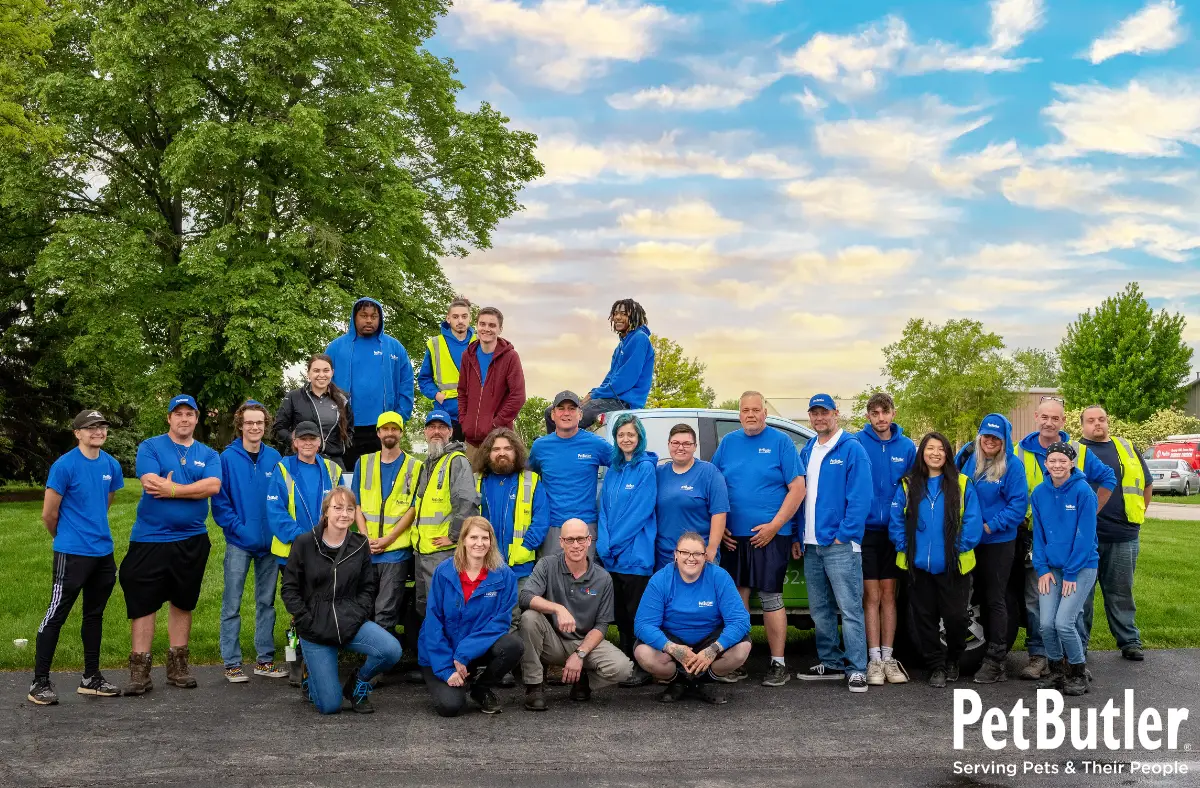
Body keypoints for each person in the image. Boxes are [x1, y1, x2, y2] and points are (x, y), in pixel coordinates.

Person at [120, 394, 222, 695]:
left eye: (190, 414)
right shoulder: (151, 446)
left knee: (183, 601)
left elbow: (213, 486)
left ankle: (178, 666)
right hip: (150, 539)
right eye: (178, 414)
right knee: (144, 602)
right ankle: (140, 671)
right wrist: (193, 489)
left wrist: (174, 488)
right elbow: (151, 483)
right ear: (169, 418)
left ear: (196, 418)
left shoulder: (209, 454)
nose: (184, 419)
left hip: (191, 539)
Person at [1013, 397, 1116, 680]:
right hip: (1039, 543)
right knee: (1039, 608)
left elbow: (1108, 478)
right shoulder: (1018, 452)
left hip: (1076, 555)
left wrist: (1089, 513)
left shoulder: (1080, 453)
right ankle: (1042, 658)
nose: (1049, 422)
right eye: (1044, 417)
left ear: (1063, 421)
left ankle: (1076, 662)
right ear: (1036, 417)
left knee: (1070, 615)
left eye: (1055, 418)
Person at [28, 410, 124, 706]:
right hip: (72, 553)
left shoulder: (111, 464)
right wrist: (67, 538)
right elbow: (49, 514)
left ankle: (90, 678)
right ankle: (39, 682)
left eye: (102, 426)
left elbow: (104, 503)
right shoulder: (65, 465)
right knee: (56, 613)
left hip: (102, 554)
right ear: (78, 433)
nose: (98, 431)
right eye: (91, 427)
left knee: (94, 615)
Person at [712, 391, 806, 687]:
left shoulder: (780, 442)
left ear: (764, 412)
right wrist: (720, 526)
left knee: (770, 596)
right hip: (732, 537)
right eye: (745, 410)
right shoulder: (728, 443)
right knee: (736, 597)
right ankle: (737, 661)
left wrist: (776, 526)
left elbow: (798, 488)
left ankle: (778, 664)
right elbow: (713, 484)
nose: (750, 415)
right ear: (739, 414)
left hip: (771, 536)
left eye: (755, 410)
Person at [281, 487, 401, 714]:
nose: (344, 514)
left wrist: (357, 616)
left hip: (349, 622)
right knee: (330, 706)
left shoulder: (360, 545)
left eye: (349, 509)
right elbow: (289, 588)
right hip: (314, 628)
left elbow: (368, 587)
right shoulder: (305, 543)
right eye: (337, 508)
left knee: (391, 650)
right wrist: (305, 619)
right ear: (326, 511)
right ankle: (310, 674)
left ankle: (358, 683)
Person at [889, 432, 983, 688]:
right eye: (930, 448)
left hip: (954, 567)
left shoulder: (963, 484)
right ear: (922, 453)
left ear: (947, 454)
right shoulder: (908, 485)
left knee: (956, 618)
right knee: (925, 620)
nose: (935, 453)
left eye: (941, 449)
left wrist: (956, 549)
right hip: (918, 567)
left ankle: (953, 659)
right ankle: (937, 667)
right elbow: (896, 519)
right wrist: (904, 546)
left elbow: (973, 522)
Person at [794, 393, 872, 693]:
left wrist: (844, 533)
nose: (818, 418)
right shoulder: (808, 451)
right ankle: (831, 661)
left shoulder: (851, 449)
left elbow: (861, 497)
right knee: (820, 610)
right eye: (814, 413)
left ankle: (857, 668)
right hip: (811, 545)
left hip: (840, 544)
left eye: (824, 412)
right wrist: (799, 534)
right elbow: (800, 496)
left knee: (850, 609)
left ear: (836, 414)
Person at [518, 519, 634, 711]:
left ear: (589, 540)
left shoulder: (603, 578)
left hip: (585, 643)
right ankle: (534, 686)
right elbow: (525, 596)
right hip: (552, 640)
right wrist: (558, 609)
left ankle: (582, 679)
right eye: (570, 540)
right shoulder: (547, 565)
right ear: (561, 542)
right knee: (529, 618)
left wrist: (580, 655)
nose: (576, 545)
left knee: (623, 668)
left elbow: (602, 625)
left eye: (580, 539)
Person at [211, 401, 288, 683]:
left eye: (259, 423)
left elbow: (282, 498)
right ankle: (231, 662)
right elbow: (220, 502)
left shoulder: (275, 458)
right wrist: (238, 529)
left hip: (269, 545)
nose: (254, 427)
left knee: (266, 603)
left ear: (265, 426)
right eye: (249, 423)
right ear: (240, 426)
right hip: (239, 542)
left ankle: (264, 660)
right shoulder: (226, 459)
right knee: (232, 603)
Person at [418, 516, 524, 716]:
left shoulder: (504, 575)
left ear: (491, 541)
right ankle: (449, 679)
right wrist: (447, 668)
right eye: (473, 537)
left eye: (485, 538)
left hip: (473, 651)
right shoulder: (444, 571)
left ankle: (480, 688)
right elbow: (432, 622)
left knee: (512, 646)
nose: (479, 543)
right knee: (450, 707)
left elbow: (499, 624)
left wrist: (463, 654)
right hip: (440, 652)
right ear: (463, 540)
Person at [633, 532, 752, 705]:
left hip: (710, 639)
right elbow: (643, 625)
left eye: (697, 554)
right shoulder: (660, 579)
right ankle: (679, 681)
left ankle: (703, 682)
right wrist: (673, 649)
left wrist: (714, 649)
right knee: (643, 652)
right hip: (673, 639)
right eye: (685, 553)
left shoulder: (719, 577)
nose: (691, 558)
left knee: (742, 648)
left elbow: (741, 621)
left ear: (705, 557)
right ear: (676, 554)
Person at [955, 414, 1028, 684]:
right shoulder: (969, 460)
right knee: (963, 596)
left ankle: (996, 660)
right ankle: (955, 654)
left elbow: (1018, 506)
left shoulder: (1013, 467)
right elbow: (956, 490)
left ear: (1004, 440)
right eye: (986, 436)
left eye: (996, 438)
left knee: (993, 598)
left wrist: (989, 526)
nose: (990, 441)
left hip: (997, 542)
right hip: (968, 542)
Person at [266, 421, 342, 681]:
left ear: (320, 442)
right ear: (295, 442)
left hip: (326, 552)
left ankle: (318, 658)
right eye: (303, 439)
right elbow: (275, 514)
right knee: (297, 610)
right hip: (291, 554)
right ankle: (294, 662)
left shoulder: (333, 470)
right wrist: (306, 541)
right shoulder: (283, 469)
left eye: (313, 439)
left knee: (320, 606)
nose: (308, 443)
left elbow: (342, 509)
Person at [1077, 405, 1152, 662]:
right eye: (1091, 420)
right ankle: (1079, 646)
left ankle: (1129, 641)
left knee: (1121, 593)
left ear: (1107, 422)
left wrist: (1136, 516)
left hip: (1124, 535)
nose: (1097, 424)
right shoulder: (1076, 451)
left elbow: (1147, 484)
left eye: (1101, 419)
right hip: (1084, 538)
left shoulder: (1127, 448)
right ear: (1082, 425)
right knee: (1081, 597)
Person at [855, 392, 915, 686]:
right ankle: (874, 659)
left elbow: (914, 488)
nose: (880, 418)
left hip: (894, 531)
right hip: (865, 531)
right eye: (875, 413)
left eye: (885, 412)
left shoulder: (906, 447)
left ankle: (889, 658)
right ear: (868, 416)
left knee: (890, 595)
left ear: (893, 413)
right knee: (872, 596)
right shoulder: (856, 442)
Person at [1031, 441, 1099, 696]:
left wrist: (1071, 572)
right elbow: (1038, 535)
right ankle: (1057, 671)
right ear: (1046, 464)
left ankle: (1078, 672)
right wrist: (1041, 568)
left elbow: (1085, 537)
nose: (1057, 465)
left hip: (1080, 568)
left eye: (1063, 461)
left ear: (1072, 463)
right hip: (1051, 569)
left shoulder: (1083, 492)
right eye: (1053, 461)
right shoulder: (1039, 493)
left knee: (1064, 622)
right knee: (1046, 624)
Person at [597, 413, 658, 687]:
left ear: (640, 437)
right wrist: (603, 542)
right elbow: (605, 510)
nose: (626, 439)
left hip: (635, 555)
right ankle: (625, 661)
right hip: (612, 556)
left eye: (630, 434)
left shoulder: (646, 468)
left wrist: (614, 543)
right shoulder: (614, 468)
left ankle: (644, 666)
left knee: (637, 613)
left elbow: (640, 512)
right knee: (620, 614)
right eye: (621, 435)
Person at [352, 412, 421, 646]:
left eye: (395, 428)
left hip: (396, 552)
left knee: (386, 610)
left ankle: (382, 661)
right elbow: (357, 505)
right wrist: (364, 537)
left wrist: (389, 539)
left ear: (401, 432)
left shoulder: (415, 466)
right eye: (385, 428)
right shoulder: (363, 462)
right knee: (365, 607)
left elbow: (413, 509)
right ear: (378, 432)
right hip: (367, 549)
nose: (390, 433)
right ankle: (369, 654)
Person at [325, 297, 414, 472]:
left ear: (379, 319)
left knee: (381, 478)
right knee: (348, 479)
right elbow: (322, 383)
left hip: (382, 429)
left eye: (374, 316)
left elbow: (407, 384)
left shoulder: (394, 347)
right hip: (345, 428)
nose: (369, 320)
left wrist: (399, 417)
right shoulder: (336, 348)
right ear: (354, 317)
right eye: (364, 315)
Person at [542, 299, 655, 433]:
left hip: (623, 402)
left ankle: (563, 450)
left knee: (568, 418)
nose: (618, 317)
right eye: (615, 313)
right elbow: (610, 378)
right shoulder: (621, 345)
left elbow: (625, 380)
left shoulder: (640, 339)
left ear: (634, 315)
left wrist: (595, 395)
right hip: (611, 398)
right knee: (551, 412)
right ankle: (556, 450)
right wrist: (593, 393)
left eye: (624, 314)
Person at [473, 427, 549, 611]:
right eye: (496, 449)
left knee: (519, 617)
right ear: (488, 453)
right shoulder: (476, 480)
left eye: (507, 448)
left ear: (516, 451)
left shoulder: (531, 480)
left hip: (520, 568)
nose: (502, 453)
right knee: (485, 616)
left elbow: (541, 519)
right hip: (483, 566)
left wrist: (526, 547)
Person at [412, 410, 478, 619]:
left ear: (450, 432)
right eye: (432, 427)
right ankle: (428, 649)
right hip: (422, 550)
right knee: (425, 606)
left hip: (443, 552)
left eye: (442, 427)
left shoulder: (456, 460)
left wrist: (454, 536)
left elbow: (467, 502)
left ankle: (447, 651)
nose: (436, 432)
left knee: (443, 608)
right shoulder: (427, 463)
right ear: (425, 432)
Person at [528, 391, 612, 551]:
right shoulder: (540, 447)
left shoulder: (596, 444)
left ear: (580, 414)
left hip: (585, 526)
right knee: (551, 575)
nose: (566, 413)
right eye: (561, 408)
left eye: (572, 408)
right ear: (553, 414)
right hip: (552, 527)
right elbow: (528, 479)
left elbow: (623, 464)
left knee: (585, 576)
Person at [654, 424, 729, 570]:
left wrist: (711, 550)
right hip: (664, 557)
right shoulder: (658, 473)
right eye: (675, 443)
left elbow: (719, 513)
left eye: (687, 444)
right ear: (668, 445)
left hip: (698, 557)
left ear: (695, 446)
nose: (680, 448)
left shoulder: (709, 473)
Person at [458, 306, 526, 463]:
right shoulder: (467, 356)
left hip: (499, 441)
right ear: (476, 326)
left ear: (500, 329)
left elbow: (518, 396)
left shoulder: (510, 357)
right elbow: (462, 392)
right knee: (472, 485)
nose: (486, 329)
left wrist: (495, 424)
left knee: (499, 485)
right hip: (472, 441)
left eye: (492, 325)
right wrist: (464, 420)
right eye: (482, 324)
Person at [272, 353, 354, 469]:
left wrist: (342, 447)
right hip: (300, 460)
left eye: (326, 370)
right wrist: (298, 442)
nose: (321, 375)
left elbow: (349, 430)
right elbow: (278, 429)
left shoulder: (342, 399)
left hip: (333, 462)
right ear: (308, 374)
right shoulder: (294, 397)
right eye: (316, 370)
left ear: (332, 373)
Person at [417, 297, 476, 442]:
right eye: (455, 317)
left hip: (474, 412)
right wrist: (437, 395)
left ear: (470, 318)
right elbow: (424, 379)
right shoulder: (435, 343)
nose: (460, 321)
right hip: (446, 414)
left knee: (474, 463)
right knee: (445, 461)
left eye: (464, 316)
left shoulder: (480, 342)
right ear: (448, 318)